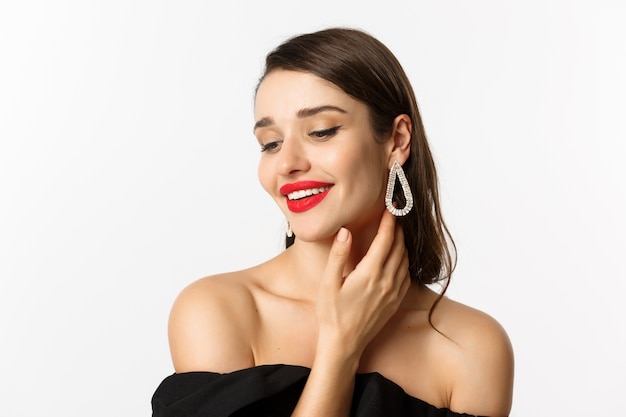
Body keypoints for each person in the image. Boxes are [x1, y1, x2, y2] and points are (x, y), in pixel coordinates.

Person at [152, 27, 514, 417]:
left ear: (397, 140)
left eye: (321, 132)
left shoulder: (474, 347)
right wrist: (340, 348)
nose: (287, 163)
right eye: (270, 143)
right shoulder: (218, 312)